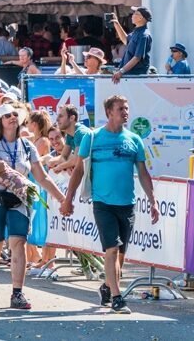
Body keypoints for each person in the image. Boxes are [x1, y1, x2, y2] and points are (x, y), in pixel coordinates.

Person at [61, 95, 160, 315]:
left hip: (127, 204)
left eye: (126, 108)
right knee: (112, 250)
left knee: (121, 255)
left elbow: (143, 172)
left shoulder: (134, 139)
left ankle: (107, 286)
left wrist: (153, 201)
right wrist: (68, 198)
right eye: (120, 109)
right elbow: (78, 170)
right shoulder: (93, 138)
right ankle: (117, 298)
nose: (125, 112)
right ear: (109, 113)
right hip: (103, 203)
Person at [0, 104, 65, 310]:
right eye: (7, 115)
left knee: (19, 242)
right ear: (0, 121)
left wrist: (62, 198)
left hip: (19, 199)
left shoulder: (27, 146)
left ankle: (17, 292)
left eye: (15, 114)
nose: (12, 117)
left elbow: (41, 177)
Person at [111, 6, 153, 82]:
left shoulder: (144, 35)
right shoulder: (137, 32)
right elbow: (125, 40)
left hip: (137, 76)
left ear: (141, 18)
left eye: (136, 13)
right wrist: (116, 24)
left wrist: (121, 71)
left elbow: (137, 58)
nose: (132, 15)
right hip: (130, 75)